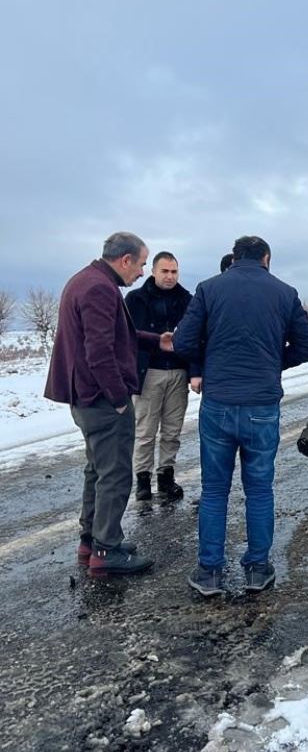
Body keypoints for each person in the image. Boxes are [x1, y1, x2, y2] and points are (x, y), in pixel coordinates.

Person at [173, 235, 308, 596]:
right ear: (266, 258)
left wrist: (210, 363)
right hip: (261, 405)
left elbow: (182, 343)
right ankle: (257, 568)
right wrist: (273, 362)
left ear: (234, 258)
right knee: (259, 490)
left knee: (214, 491)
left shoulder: (208, 289)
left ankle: (209, 572)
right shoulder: (285, 293)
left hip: (219, 403)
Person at [44, 232, 172, 576]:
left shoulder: (85, 280)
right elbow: (98, 351)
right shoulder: (100, 288)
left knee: (97, 470)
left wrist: (155, 340)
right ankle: (106, 551)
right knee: (114, 473)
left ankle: (92, 541)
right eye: (142, 264)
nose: (143, 272)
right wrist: (117, 399)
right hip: (101, 399)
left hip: (85, 396)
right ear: (125, 260)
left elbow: (116, 336)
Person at [125, 251, 198, 502]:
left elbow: (197, 337)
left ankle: (166, 476)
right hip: (148, 373)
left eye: (174, 271)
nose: (170, 276)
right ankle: (142, 479)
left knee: (172, 430)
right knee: (145, 430)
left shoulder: (188, 301)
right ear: (154, 271)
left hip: (177, 372)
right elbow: (125, 338)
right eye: (165, 271)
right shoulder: (135, 300)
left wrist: (194, 371)